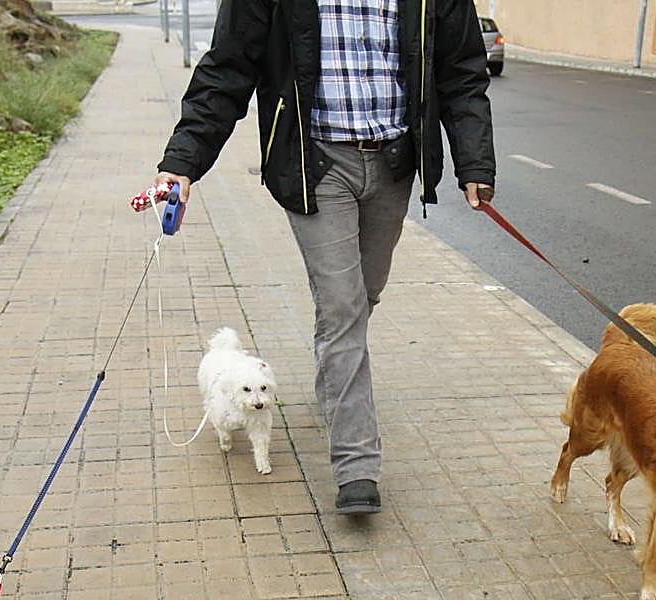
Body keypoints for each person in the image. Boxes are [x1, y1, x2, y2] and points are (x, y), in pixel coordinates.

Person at [154, 0, 496, 515]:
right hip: (314, 165)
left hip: (395, 161)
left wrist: (473, 160)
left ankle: (334, 379)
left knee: (362, 297)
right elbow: (227, 68)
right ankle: (357, 465)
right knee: (342, 308)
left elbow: (462, 70)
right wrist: (183, 160)